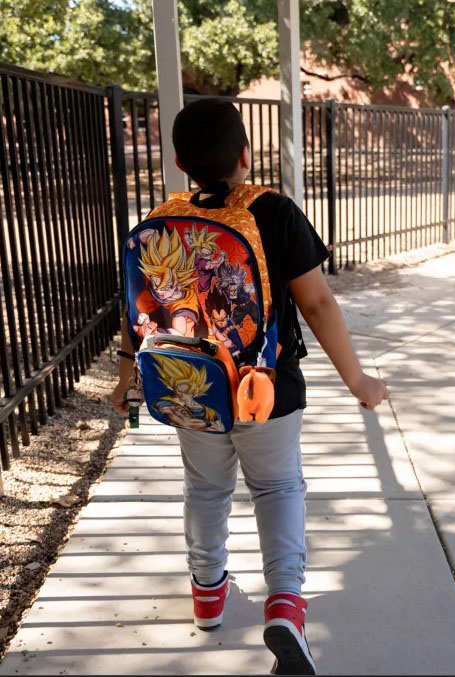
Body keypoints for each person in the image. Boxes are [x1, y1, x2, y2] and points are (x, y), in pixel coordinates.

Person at [111, 99, 388, 676]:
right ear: (245, 154)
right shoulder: (275, 212)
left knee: (206, 491)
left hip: (191, 389)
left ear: (182, 162)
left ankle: (208, 595)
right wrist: (358, 380)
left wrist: (127, 379)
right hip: (267, 390)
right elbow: (315, 301)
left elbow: (137, 313)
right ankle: (285, 604)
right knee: (279, 487)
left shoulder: (161, 219)